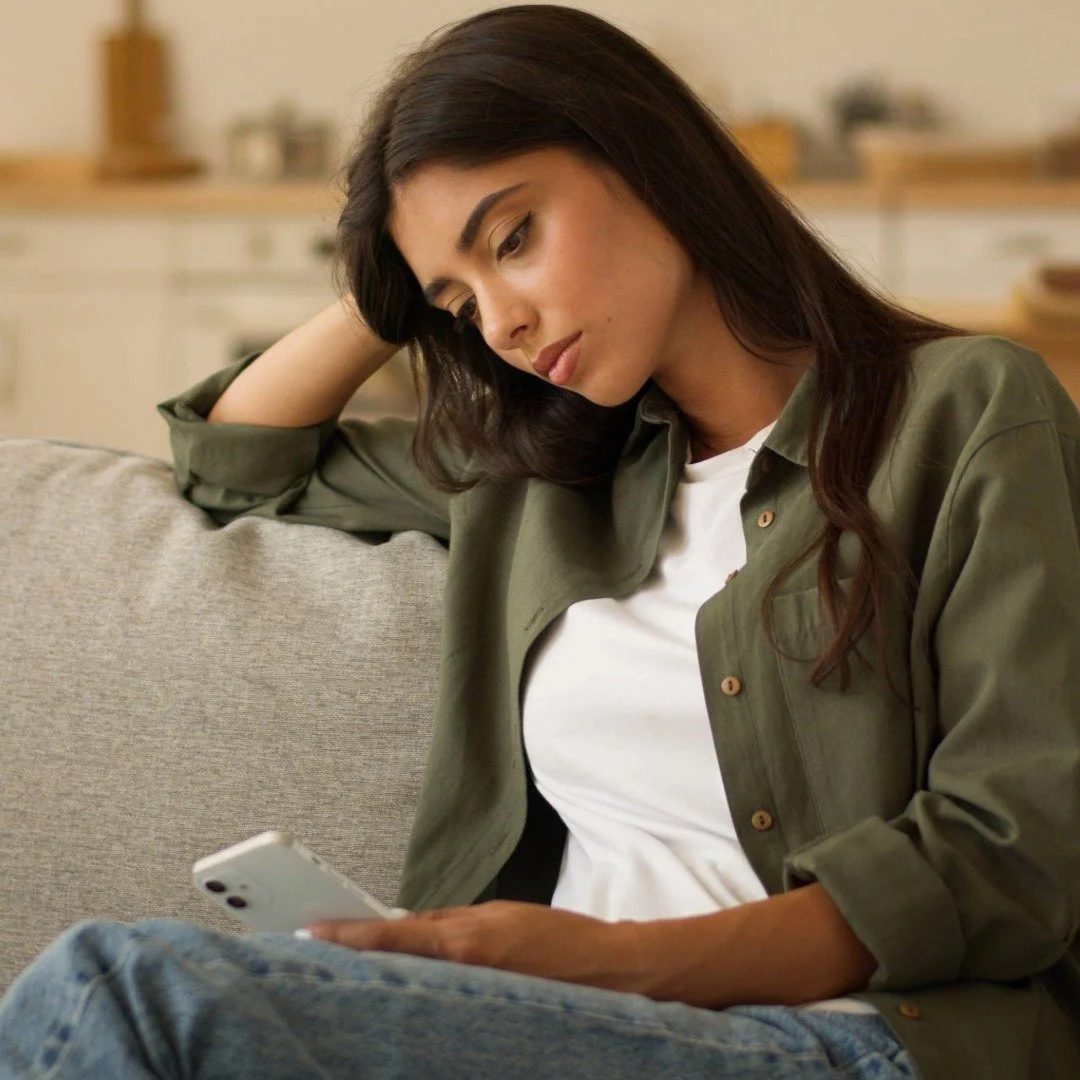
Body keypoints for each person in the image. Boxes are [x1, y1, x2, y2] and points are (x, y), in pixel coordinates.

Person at [2, 5, 1078, 1078]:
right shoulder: (536, 482)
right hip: (539, 1030)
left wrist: (610, 964)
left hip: (849, 1041)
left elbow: (1013, 857)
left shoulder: (967, 411)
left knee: (118, 988)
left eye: (513, 239)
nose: (503, 324)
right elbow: (237, 460)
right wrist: (391, 288)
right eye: (460, 304)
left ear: (648, 156)